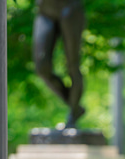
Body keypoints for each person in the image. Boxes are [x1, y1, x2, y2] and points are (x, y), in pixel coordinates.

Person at [33, 0, 86, 128]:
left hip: (70, 8)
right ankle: (74, 106)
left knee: (72, 65)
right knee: (42, 67)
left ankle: (73, 114)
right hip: (45, 11)